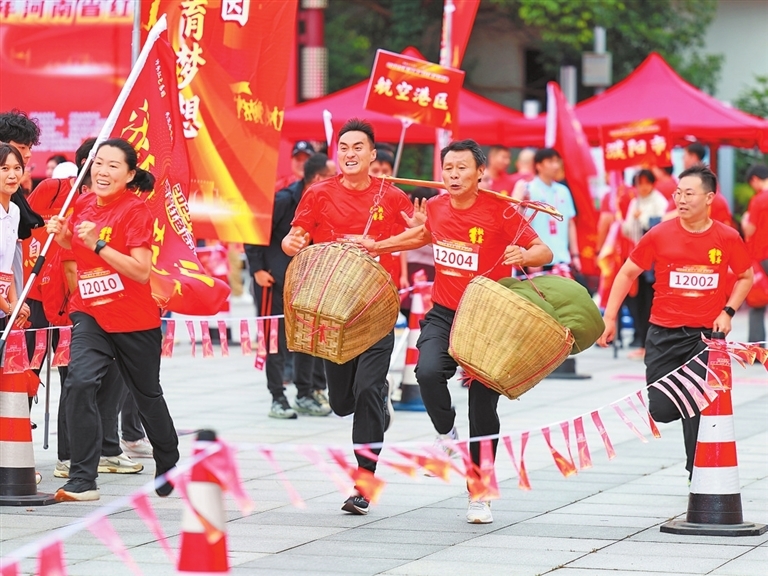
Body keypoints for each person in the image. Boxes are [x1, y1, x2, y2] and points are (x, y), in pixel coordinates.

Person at [364, 139, 553, 524]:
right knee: (428, 372)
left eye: (462, 168)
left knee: (483, 407)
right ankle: (447, 436)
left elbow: (543, 251)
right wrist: (378, 245)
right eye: (448, 168)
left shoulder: (501, 210)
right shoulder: (435, 207)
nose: (453, 174)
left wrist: (525, 255)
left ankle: (480, 492)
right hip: (445, 312)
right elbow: (422, 236)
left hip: (488, 316)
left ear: (480, 172)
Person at [282, 119, 417, 516]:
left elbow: (419, 235)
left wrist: (384, 242)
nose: (350, 153)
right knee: (343, 402)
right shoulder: (318, 193)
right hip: (333, 313)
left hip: (376, 309)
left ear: (373, 155)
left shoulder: (392, 196)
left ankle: (364, 483)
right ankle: (375, 406)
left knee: (368, 390)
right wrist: (291, 242)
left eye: (359, 146)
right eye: (344, 147)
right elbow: (296, 240)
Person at [597, 165, 753, 481]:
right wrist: (609, 317)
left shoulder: (726, 237)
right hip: (662, 334)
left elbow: (745, 277)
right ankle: (691, 424)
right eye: (677, 193)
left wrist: (728, 312)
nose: (680, 200)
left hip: (704, 338)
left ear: (709, 197)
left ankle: (699, 473)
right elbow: (627, 272)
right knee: (662, 409)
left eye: (688, 194)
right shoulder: (660, 234)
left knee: (697, 403)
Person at [46, 138, 179, 501]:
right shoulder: (84, 203)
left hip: (135, 320)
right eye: (98, 164)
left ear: (130, 173)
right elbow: (75, 252)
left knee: (147, 396)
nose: (103, 172)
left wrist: (99, 245)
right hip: (90, 313)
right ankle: (82, 477)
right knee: (79, 382)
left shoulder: (135, 211)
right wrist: (63, 238)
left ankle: (168, 455)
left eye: (113, 165)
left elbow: (140, 271)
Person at [246, 153, 334, 419]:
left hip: (306, 283)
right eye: (332, 177)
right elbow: (255, 231)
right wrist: (258, 269)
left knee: (307, 341)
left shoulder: (325, 203)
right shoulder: (285, 200)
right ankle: (277, 397)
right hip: (272, 281)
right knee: (275, 341)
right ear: (318, 179)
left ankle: (305, 394)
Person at [620, 169, 668, 359]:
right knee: (635, 299)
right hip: (636, 257)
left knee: (650, 301)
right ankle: (640, 339)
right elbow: (626, 229)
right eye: (640, 183)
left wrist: (643, 219)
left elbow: (660, 225)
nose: (643, 187)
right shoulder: (634, 202)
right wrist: (632, 218)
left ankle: (650, 343)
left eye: (646, 182)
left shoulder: (659, 201)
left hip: (653, 262)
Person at [512, 148, 580, 275]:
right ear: (538, 165)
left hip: (561, 258)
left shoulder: (563, 191)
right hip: (537, 260)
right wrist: (529, 255)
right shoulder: (527, 189)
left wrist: (575, 255)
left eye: (557, 161)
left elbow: (570, 223)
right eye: (550, 161)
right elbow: (520, 223)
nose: (556, 165)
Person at [665, 142, 734, 227]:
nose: (683, 160)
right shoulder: (710, 179)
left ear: (693, 157)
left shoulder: (691, 181)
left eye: (684, 156)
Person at [0, 143, 31, 329]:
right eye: (4, 168)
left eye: (17, 168)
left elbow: (6, 264)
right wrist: (11, 307)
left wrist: (15, 302)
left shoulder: (15, 211)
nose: (12, 175)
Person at [744, 164, 768, 343]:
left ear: (754, 180)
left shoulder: (759, 200)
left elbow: (750, 230)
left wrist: (744, 221)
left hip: (762, 256)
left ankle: (757, 348)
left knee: (757, 302)